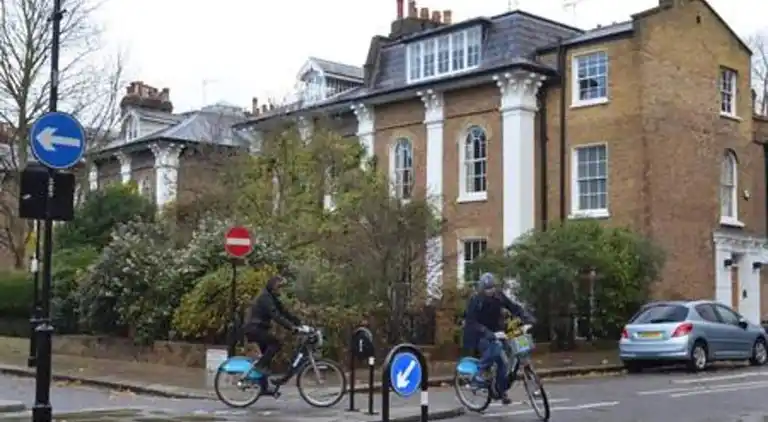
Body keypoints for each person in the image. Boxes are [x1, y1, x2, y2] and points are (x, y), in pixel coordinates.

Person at [462, 272, 535, 404]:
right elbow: (471, 323)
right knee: (497, 350)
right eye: (487, 289)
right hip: (480, 335)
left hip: (498, 332)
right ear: (482, 289)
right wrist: (490, 334)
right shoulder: (475, 301)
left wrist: (527, 319)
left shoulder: (499, 296)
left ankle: (500, 390)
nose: (490, 291)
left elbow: (514, 308)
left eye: (492, 288)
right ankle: (480, 372)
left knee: (509, 359)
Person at [244, 274, 311, 393]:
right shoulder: (265, 298)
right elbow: (275, 315)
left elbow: (284, 312)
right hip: (255, 329)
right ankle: (259, 367)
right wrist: (291, 327)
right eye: (279, 287)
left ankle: (263, 388)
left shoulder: (271, 297)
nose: (280, 290)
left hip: (259, 328)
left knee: (267, 357)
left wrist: (299, 323)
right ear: (272, 286)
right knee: (276, 344)